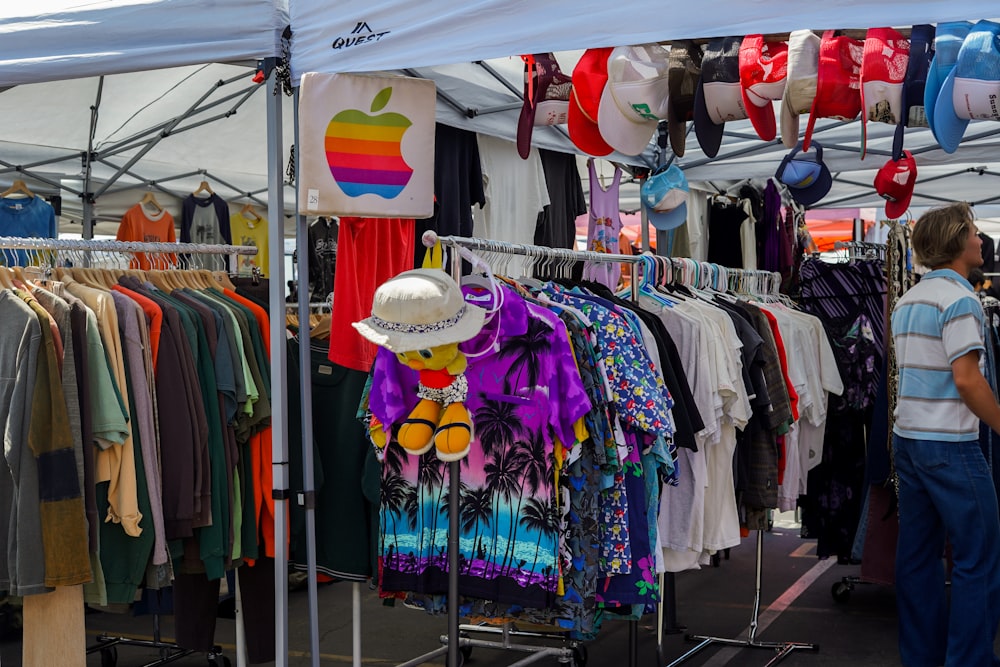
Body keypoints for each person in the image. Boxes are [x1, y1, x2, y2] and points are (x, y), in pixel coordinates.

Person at [890, 202, 1000, 667]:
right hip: (949, 446)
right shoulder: (960, 300)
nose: (981, 240)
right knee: (978, 558)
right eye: (974, 232)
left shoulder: (907, 299)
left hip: (908, 439)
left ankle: (923, 659)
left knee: (917, 559)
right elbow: (967, 379)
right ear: (958, 241)